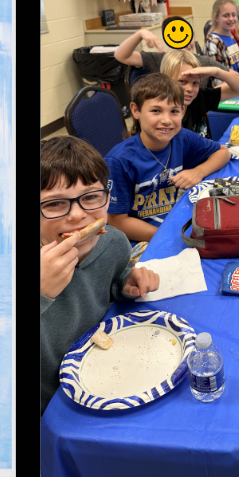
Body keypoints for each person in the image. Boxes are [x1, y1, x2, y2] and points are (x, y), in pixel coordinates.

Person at [40, 136, 161, 416]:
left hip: (110, 372)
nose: (78, 215)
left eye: (91, 197)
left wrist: (125, 283)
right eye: (55, 203)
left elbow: (107, 283)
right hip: (53, 405)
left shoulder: (114, 242)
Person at [105, 74, 231, 243]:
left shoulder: (181, 138)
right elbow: (117, 222)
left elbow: (223, 152)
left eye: (174, 111)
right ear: (136, 111)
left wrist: (198, 172)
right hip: (147, 238)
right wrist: (171, 237)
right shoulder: (119, 161)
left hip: (180, 219)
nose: (166, 120)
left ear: (182, 111)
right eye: (156, 111)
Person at [160, 49, 239, 139]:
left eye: (195, 82)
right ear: (165, 80)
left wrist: (217, 72)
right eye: (182, 81)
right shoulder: (163, 120)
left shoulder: (200, 97)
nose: (190, 89)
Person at [114, 27, 220, 74]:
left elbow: (229, 74)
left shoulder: (204, 61)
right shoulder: (159, 59)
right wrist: (140, 34)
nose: (186, 44)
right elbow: (121, 56)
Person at [204, 0, 239, 73]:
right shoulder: (213, 43)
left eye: (233, 15)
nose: (231, 19)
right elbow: (216, 75)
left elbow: (238, 66)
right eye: (226, 16)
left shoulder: (231, 37)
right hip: (230, 80)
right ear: (216, 18)